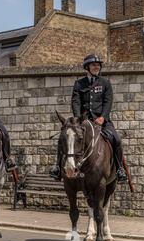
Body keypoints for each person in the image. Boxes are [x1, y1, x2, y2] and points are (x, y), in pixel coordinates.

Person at [49, 54, 127, 182]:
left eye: (98, 65)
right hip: (83, 121)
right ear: (87, 67)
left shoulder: (105, 83)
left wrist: (102, 117)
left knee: (116, 139)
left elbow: (108, 102)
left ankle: (119, 169)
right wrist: (77, 119)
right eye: (93, 65)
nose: (96, 67)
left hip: (101, 121)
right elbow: (76, 101)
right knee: (64, 137)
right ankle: (57, 167)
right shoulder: (79, 83)